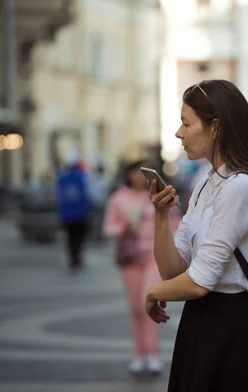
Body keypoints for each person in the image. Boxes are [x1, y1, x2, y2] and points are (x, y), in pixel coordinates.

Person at [144, 80, 248, 391]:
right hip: (203, 325)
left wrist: (154, 293)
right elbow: (172, 271)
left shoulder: (240, 187)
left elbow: (198, 283)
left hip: (233, 332)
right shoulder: (208, 183)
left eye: (186, 123)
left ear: (216, 127)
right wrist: (160, 215)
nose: (179, 133)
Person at [104, 160, 168, 375]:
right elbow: (107, 229)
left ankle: (153, 353)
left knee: (148, 303)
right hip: (130, 258)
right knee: (135, 308)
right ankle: (139, 354)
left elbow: (173, 222)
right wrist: (123, 229)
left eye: (144, 173)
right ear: (128, 174)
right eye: (136, 172)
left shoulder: (158, 195)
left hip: (153, 257)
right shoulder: (118, 198)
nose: (140, 177)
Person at [56, 150, 91, 271]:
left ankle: (73, 258)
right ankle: (77, 257)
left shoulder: (62, 178)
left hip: (67, 215)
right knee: (79, 237)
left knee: (70, 238)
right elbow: (89, 193)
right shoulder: (82, 177)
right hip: (81, 214)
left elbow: (58, 196)